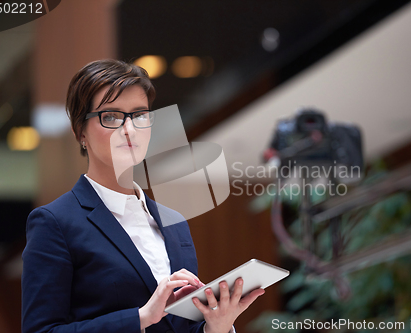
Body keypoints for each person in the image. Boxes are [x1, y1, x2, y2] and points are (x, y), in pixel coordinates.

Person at [21, 59, 264, 333]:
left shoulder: (175, 222)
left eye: (139, 115)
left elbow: (178, 328)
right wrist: (140, 318)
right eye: (110, 116)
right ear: (80, 133)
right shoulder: (55, 222)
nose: (129, 129)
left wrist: (216, 326)